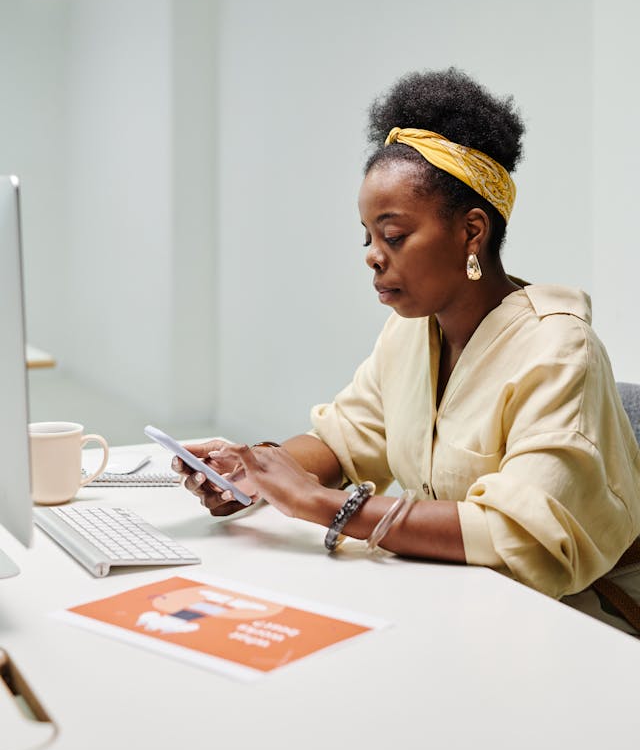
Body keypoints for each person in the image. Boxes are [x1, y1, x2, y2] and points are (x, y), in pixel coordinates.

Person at [175, 67, 640, 613]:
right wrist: (252, 468)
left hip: (574, 617)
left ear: (471, 231)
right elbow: (344, 440)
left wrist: (320, 504)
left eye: (393, 235)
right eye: (368, 237)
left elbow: (522, 535)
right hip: (456, 599)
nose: (373, 254)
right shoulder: (412, 332)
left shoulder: (558, 349)